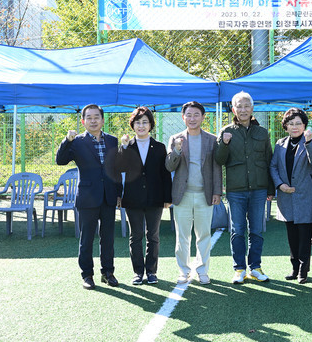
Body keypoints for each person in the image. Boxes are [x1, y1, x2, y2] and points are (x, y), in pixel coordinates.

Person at [56, 104, 122, 290]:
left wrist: (118, 193)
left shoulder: (112, 141)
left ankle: (108, 272)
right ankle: (87, 275)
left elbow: (115, 170)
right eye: (89, 118)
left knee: (108, 238)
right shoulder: (76, 142)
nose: (93, 121)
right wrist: (67, 140)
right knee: (86, 239)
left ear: (102, 120)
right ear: (83, 121)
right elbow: (60, 160)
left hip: (108, 197)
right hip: (87, 197)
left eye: (96, 117)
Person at [215, 91, 275, 284]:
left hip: (259, 189)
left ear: (252, 108)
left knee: (256, 230)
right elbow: (219, 160)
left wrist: (270, 189)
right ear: (233, 109)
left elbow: (269, 161)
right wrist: (224, 144)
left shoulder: (262, 133)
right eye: (239, 106)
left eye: (246, 106)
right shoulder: (227, 132)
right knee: (237, 230)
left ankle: (255, 267)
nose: (243, 110)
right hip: (236, 191)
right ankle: (239, 269)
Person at [166, 101, 222, 285]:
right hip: (182, 195)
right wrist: (177, 149)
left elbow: (216, 168)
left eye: (196, 114)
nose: (192, 118)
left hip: (204, 194)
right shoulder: (175, 138)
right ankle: (184, 270)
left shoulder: (212, 139)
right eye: (188, 115)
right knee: (182, 235)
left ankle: (202, 270)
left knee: (204, 234)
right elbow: (169, 166)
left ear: (203, 117)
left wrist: (217, 192)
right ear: (183, 117)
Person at [116, 107, 171, 286]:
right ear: (133, 125)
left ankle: (152, 272)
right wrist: (123, 147)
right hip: (133, 198)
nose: (141, 126)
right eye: (138, 122)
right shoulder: (126, 146)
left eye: (145, 122)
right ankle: (138, 272)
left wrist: (167, 197)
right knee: (136, 236)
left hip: (155, 198)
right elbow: (120, 168)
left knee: (153, 236)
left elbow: (165, 174)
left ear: (151, 125)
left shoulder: (160, 147)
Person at [270, 108, 312, 284]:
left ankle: (303, 270)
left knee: (304, 236)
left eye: (298, 123)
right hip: (286, 197)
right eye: (291, 124)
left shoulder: (311, 142)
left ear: (305, 125)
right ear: (285, 126)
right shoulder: (280, 144)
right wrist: (280, 185)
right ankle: (294, 268)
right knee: (292, 235)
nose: (295, 127)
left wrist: (307, 142)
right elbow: (273, 166)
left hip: (304, 196)